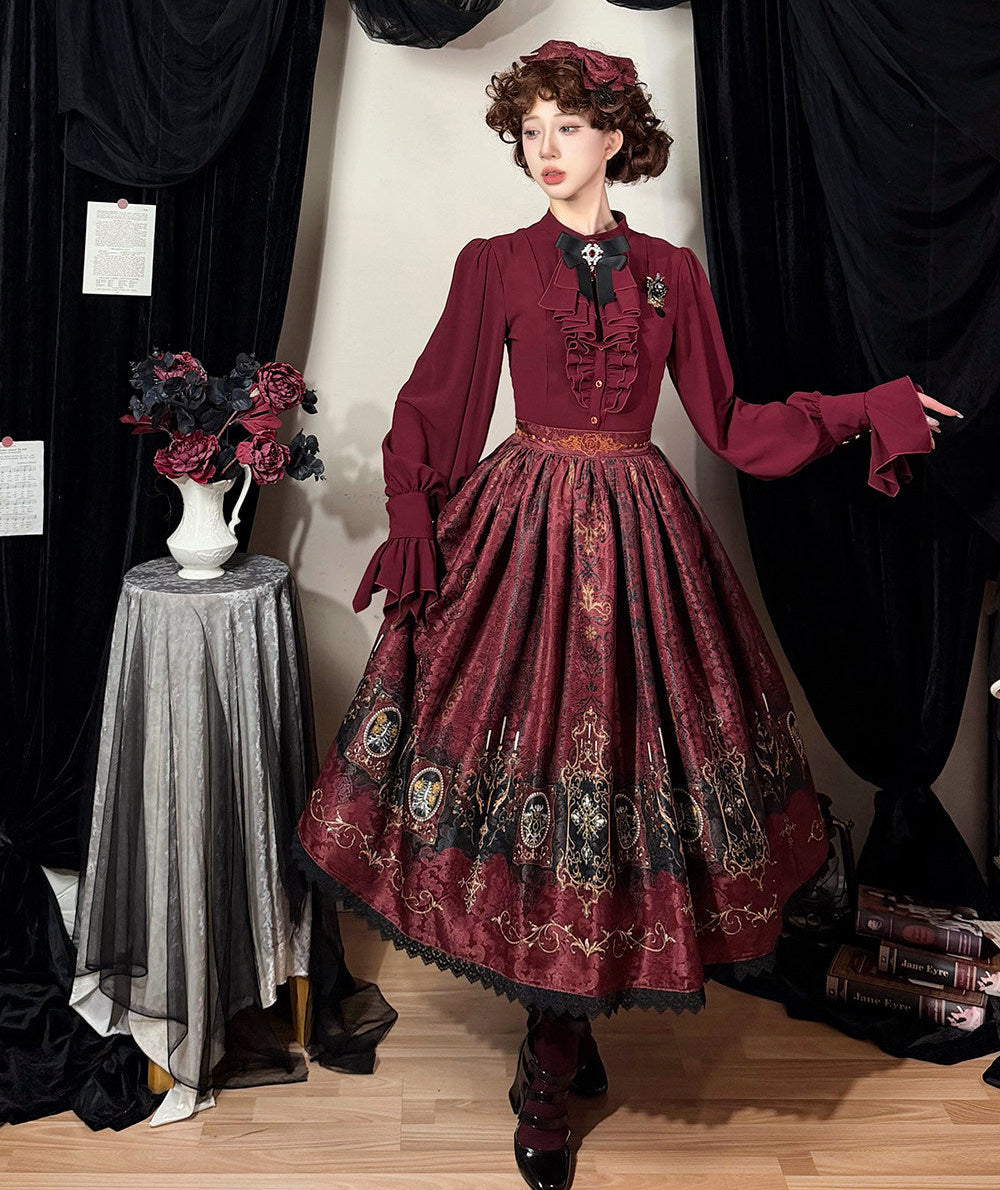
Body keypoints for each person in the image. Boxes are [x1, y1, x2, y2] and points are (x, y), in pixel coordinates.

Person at [298, 41, 958, 1190]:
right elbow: (438, 403)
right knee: (540, 778)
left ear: (614, 136)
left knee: (614, 789)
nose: (544, 148)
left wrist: (868, 408)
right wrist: (413, 516)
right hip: (522, 537)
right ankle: (552, 1050)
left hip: (643, 548)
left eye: (566, 125)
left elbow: (734, 424)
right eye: (529, 129)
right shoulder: (495, 262)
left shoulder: (670, 275)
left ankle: (560, 1036)